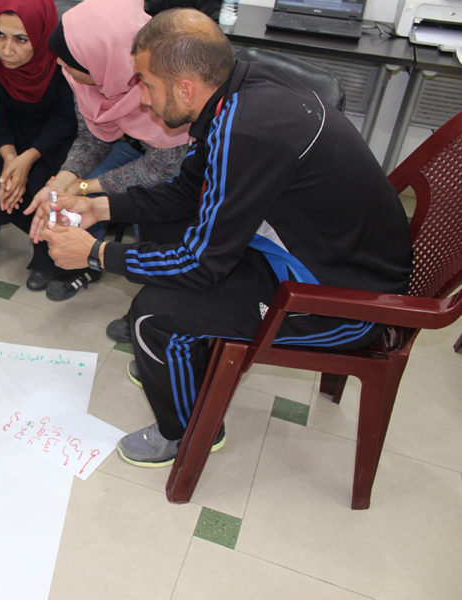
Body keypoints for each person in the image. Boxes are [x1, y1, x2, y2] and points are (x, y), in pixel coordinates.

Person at [29, 9, 412, 467]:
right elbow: (191, 189)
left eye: (147, 83)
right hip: (322, 256)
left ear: (185, 88)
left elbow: (201, 262)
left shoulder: (245, 131)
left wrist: (96, 254)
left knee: (152, 316)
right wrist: (100, 207)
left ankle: (187, 432)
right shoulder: (240, 88)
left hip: (345, 303)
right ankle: (182, 372)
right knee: (169, 263)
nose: (144, 100)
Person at [25, 0, 191, 302]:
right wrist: (65, 180)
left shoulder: (166, 82)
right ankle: (84, 263)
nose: (63, 71)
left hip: (182, 163)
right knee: (79, 194)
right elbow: (91, 139)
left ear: (107, 59)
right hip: (133, 147)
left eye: (70, 65)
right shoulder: (85, 74)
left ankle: (154, 300)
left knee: (154, 212)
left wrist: (84, 185)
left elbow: (162, 168)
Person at [0, 0, 77, 287]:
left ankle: (47, 253)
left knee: (48, 174)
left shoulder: (62, 50)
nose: (7, 50)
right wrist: (11, 158)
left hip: (50, 135)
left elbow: (66, 120)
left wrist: (27, 159)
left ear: (40, 33)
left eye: (21, 39)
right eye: (0, 35)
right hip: (4, 128)